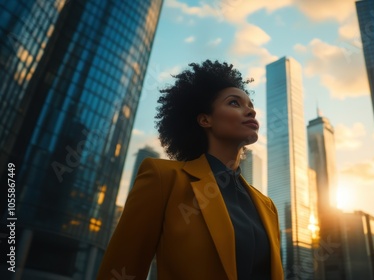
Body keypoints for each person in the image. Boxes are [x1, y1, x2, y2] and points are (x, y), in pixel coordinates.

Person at [96, 60, 283, 280]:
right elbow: (122, 269)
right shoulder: (163, 179)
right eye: (234, 103)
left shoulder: (267, 205)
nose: (250, 111)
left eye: (250, 105)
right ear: (205, 120)